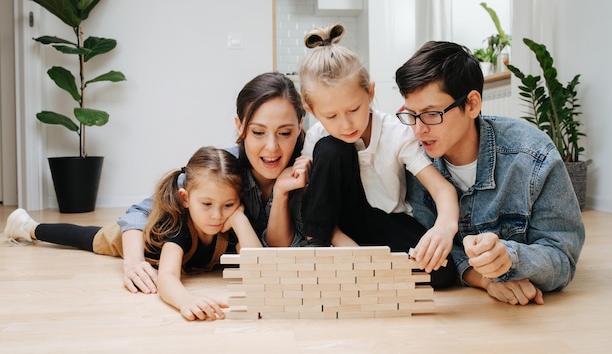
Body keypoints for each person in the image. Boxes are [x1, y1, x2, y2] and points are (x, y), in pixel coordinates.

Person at [395, 41, 585, 305]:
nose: (418, 130)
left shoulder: (534, 157)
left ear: (472, 104)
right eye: (411, 115)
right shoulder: (413, 160)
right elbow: (430, 248)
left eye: (431, 114)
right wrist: (484, 278)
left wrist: (509, 258)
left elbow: (562, 258)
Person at [4, 146, 262, 321]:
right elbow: (167, 277)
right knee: (87, 238)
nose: (217, 215)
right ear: (185, 199)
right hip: (136, 239)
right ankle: (28, 228)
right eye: (206, 204)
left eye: (228, 205)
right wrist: (186, 300)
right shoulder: (179, 228)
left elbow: (257, 266)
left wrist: (239, 219)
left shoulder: (231, 222)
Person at [297, 24, 459, 288]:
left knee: (442, 270)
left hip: (386, 223)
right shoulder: (317, 137)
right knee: (331, 147)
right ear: (311, 110)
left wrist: (443, 229)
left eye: (354, 109)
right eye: (331, 116)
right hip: (336, 230)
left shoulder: (397, 132)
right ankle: (321, 251)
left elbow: (442, 189)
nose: (346, 124)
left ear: (371, 93)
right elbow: (312, 201)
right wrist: (339, 240)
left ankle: (369, 272)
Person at [119, 72, 311, 294]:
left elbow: (275, 260)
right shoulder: (223, 170)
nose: (271, 147)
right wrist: (133, 262)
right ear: (239, 126)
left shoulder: (307, 170)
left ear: (299, 125)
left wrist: (281, 194)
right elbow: (137, 213)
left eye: (284, 133)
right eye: (258, 132)